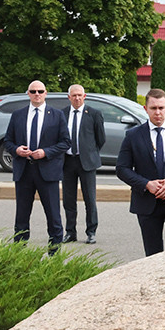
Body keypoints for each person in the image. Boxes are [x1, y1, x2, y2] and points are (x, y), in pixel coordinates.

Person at [116, 88, 165, 256]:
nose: (157, 112)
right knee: (152, 255)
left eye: (161, 108)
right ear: (145, 109)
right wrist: (146, 184)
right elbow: (122, 169)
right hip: (147, 204)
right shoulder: (133, 135)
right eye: (153, 108)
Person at [4, 80, 70, 254]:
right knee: (21, 217)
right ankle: (19, 255)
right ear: (28, 94)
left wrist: (46, 152)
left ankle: (54, 254)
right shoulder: (18, 115)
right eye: (33, 91)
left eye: (40, 91)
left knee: (53, 217)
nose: (37, 94)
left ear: (46, 93)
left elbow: (65, 142)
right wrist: (17, 150)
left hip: (47, 172)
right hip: (24, 171)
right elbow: (8, 141)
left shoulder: (56, 115)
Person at [61, 84, 106, 245]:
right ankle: (70, 232)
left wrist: (89, 152)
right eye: (74, 95)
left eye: (80, 95)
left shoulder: (94, 114)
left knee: (90, 199)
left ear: (84, 96)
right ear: (69, 97)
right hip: (67, 162)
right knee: (68, 199)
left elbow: (101, 139)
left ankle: (91, 232)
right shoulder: (63, 114)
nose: (77, 98)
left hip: (86, 162)